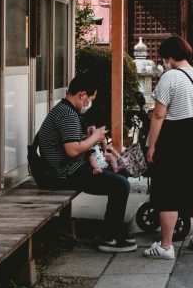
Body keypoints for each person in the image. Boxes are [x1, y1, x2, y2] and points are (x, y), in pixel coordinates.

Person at [36, 74, 137, 253]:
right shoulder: (67, 114)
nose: (90, 104)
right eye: (90, 99)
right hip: (63, 173)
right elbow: (73, 150)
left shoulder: (65, 110)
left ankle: (112, 231)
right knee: (120, 185)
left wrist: (89, 136)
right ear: (82, 94)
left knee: (121, 176)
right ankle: (109, 238)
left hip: (68, 168)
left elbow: (73, 144)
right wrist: (96, 137)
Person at [143, 35, 193, 260]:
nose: (164, 62)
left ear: (170, 56)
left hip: (173, 135)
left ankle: (165, 246)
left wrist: (152, 145)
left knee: (168, 190)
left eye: (165, 58)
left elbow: (159, 114)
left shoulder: (169, 77)